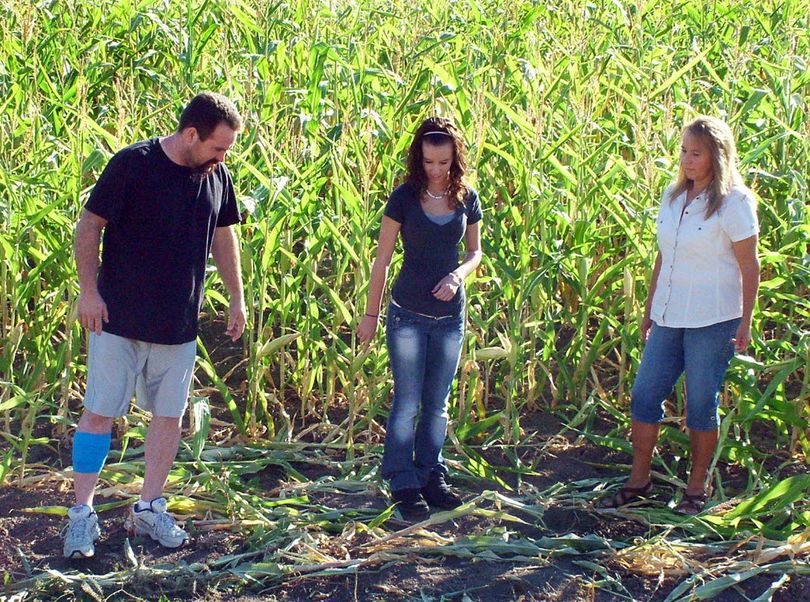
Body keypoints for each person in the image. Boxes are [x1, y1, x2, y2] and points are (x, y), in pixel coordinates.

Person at [63, 92, 246, 558]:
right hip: (117, 320)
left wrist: (237, 299)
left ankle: (148, 507)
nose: (223, 157)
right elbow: (89, 225)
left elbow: (224, 239)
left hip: (178, 325)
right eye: (218, 147)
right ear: (191, 134)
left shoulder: (217, 176)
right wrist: (89, 291)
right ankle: (81, 515)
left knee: (169, 419)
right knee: (99, 413)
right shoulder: (133, 164)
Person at [601, 115, 760, 514]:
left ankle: (696, 488)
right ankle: (639, 481)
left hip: (713, 318)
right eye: (684, 152)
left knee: (701, 403)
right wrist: (650, 308)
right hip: (669, 316)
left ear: (717, 157)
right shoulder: (673, 199)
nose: (687, 160)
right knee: (644, 394)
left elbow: (750, 265)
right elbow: (663, 257)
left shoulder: (735, 203)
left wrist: (746, 321)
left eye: (696, 153)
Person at [357, 117, 483, 521]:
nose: (436, 169)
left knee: (437, 404)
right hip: (407, 314)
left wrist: (458, 276)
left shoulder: (467, 198)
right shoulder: (404, 198)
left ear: (455, 158)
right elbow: (382, 259)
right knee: (408, 401)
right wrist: (370, 315)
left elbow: (475, 253)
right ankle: (401, 478)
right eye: (429, 161)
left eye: (443, 161)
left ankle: (430, 472)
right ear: (418, 158)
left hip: (449, 317)